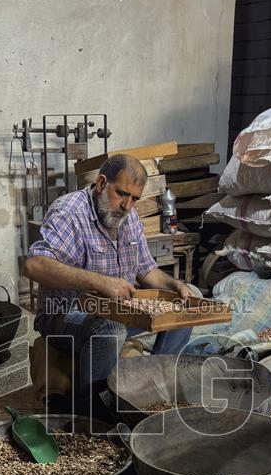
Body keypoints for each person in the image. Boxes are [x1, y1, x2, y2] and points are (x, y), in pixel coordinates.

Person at [23, 154, 194, 413]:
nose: (127, 205)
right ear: (102, 183)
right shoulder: (69, 212)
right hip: (65, 315)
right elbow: (34, 265)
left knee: (187, 305)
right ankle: (91, 410)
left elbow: (146, 268)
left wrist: (175, 285)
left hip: (120, 313)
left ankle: (156, 387)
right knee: (110, 327)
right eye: (121, 194)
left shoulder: (129, 217)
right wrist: (101, 283)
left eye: (134, 198)